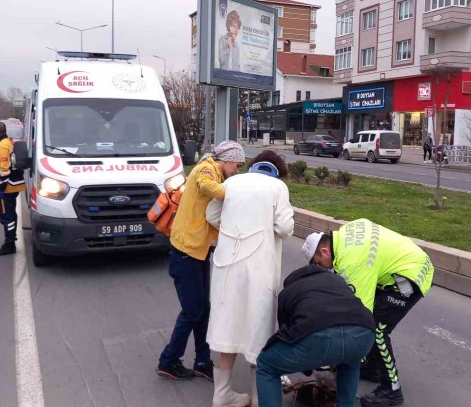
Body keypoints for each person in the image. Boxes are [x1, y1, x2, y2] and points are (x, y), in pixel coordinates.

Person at [304, 220, 434, 407]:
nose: (324, 268)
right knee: (372, 323)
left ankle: (392, 390)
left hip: (410, 276)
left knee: (376, 330)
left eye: (319, 264)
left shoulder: (353, 263)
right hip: (407, 262)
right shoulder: (343, 236)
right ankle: (373, 369)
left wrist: (338, 353)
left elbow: (359, 315)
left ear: (324, 251)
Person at [205, 150, 294, 407]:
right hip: (259, 269)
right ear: (278, 171)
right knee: (259, 329)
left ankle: (222, 394)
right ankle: (258, 397)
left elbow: (211, 215)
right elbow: (285, 228)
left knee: (228, 326)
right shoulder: (277, 187)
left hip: (227, 266)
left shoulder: (231, 183)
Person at [156, 141, 246, 382]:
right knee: (192, 311)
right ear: (227, 159)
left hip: (198, 250)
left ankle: (202, 361)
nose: (237, 169)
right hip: (185, 251)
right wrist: (240, 192)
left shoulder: (216, 171)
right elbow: (207, 186)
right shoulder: (207, 169)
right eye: (237, 165)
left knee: (203, 309)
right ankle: (168, 361)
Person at [255, 263, 376, 407]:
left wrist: (307, 366)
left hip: (316, 334)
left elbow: (287, 335)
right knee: (351, 361)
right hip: (364, 332)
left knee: (266, 365)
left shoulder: (288, 291)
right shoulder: (337, 280)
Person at [0, 121, 26, 256]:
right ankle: (11, 239)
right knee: (11, 214)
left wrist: (1, 189)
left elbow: (4, 170)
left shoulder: (2, 145)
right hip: (13, 186)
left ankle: (9, 244)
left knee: (6, 216)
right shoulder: (8, 142)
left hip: (7, 188)